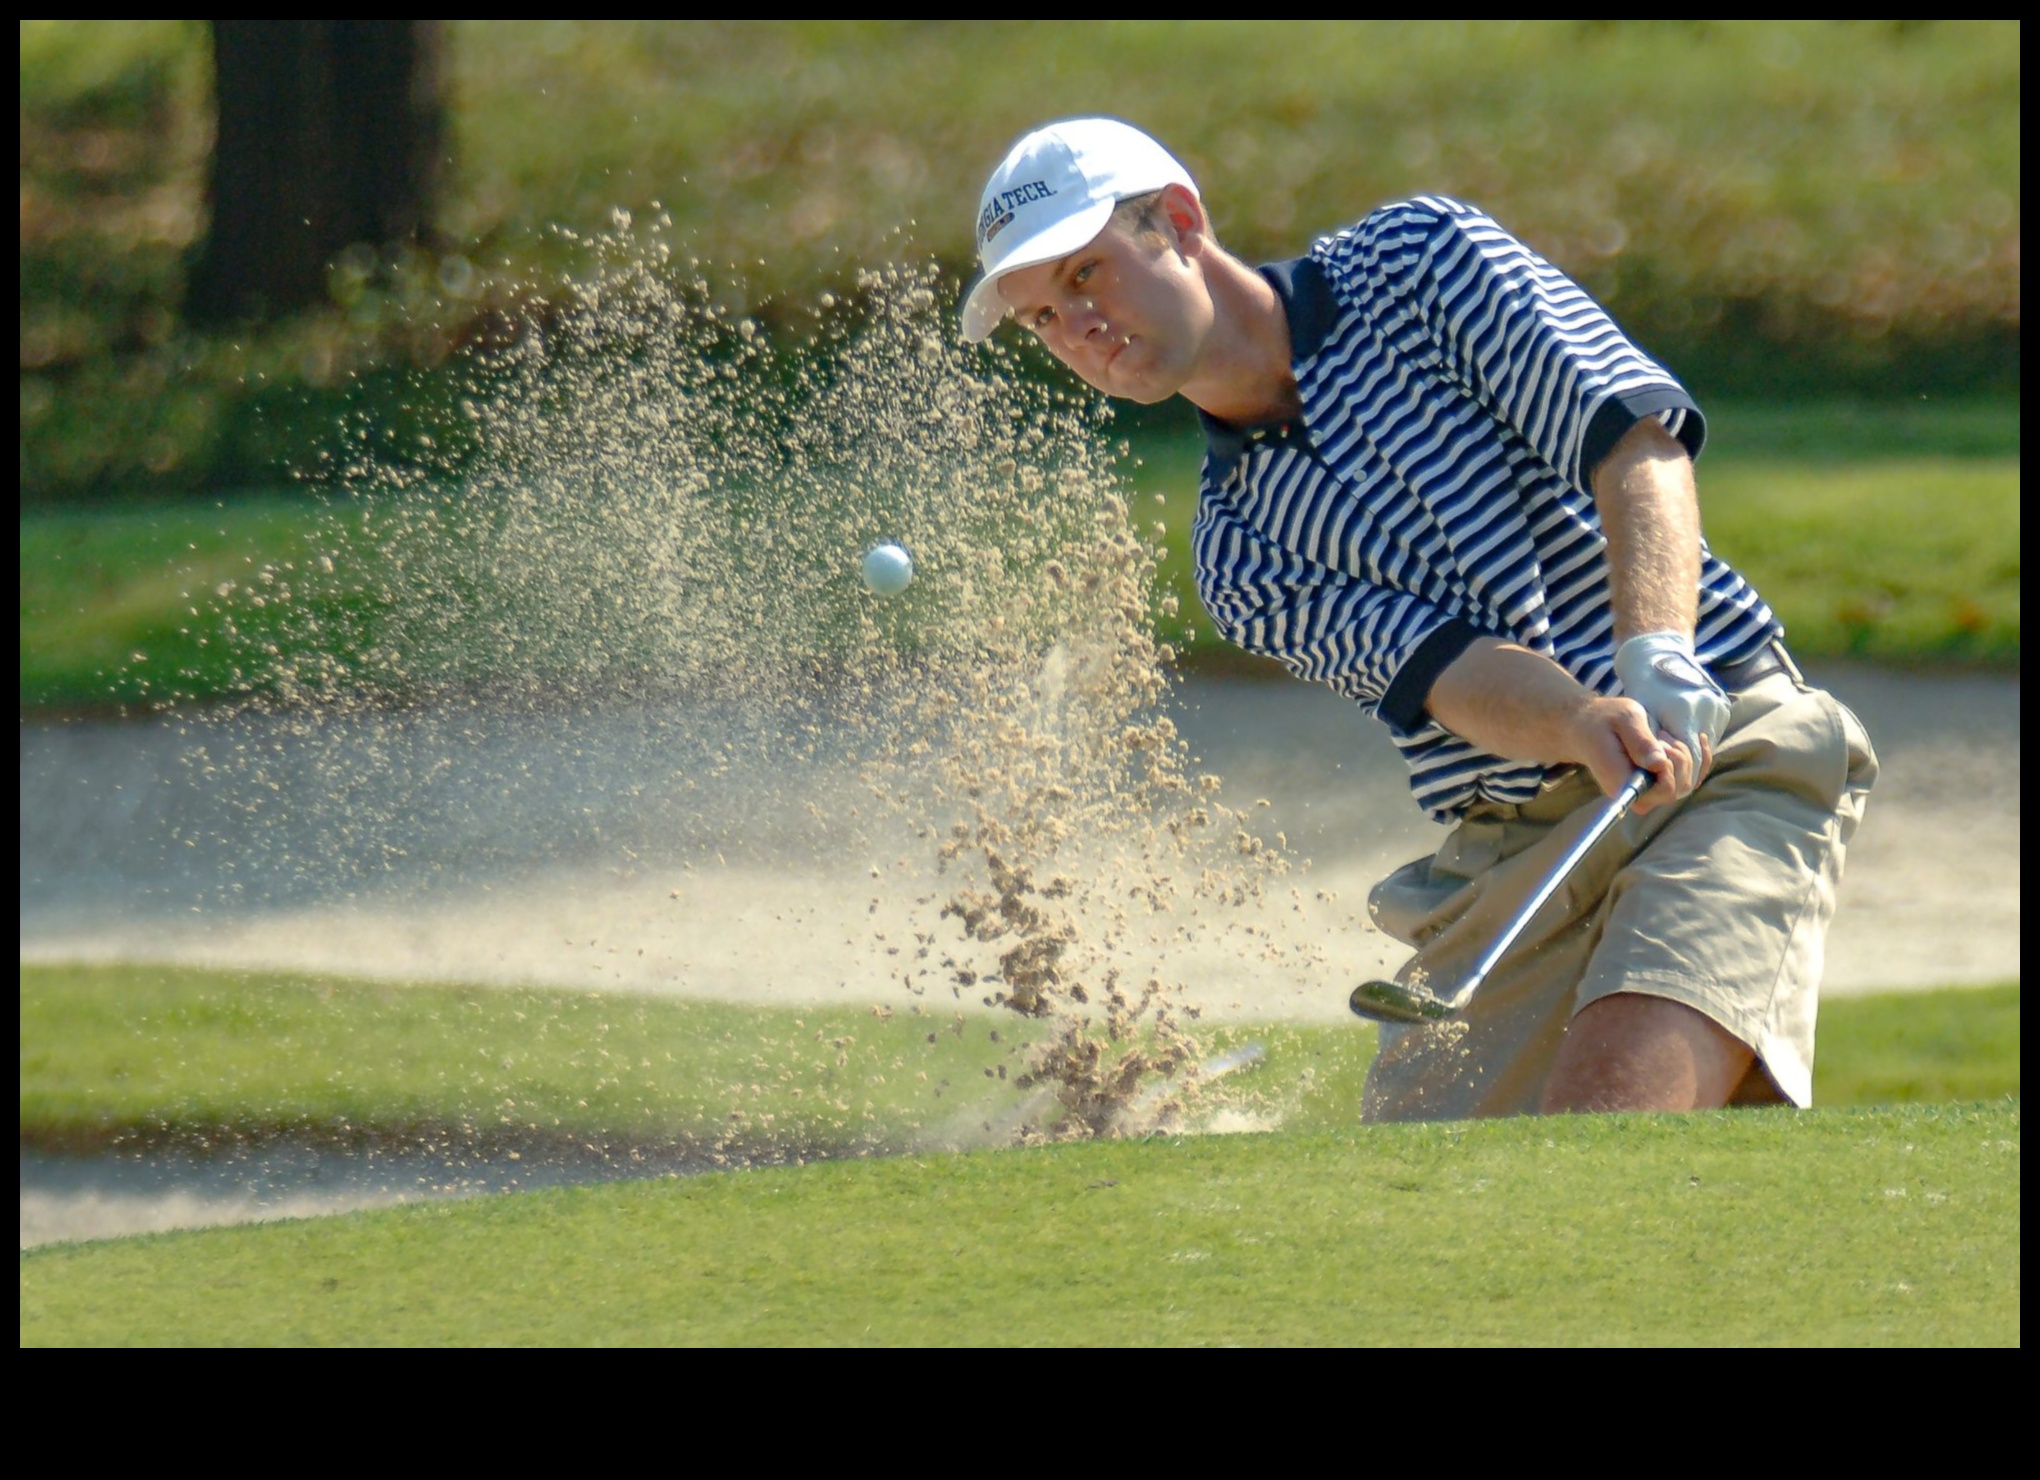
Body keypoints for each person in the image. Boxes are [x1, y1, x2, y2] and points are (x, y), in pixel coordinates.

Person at [959, 117, 1877, 1119]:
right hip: (1517, 853)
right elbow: (1454, 670)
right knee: (1423, 1210)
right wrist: (1579, 721)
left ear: (1180, 223)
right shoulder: (1241, 558)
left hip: (1721, 753)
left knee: (1611, 1116)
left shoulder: (1419, 263)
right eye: (1042, 316)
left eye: (1087, 274)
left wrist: (1654, 649)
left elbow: (1633, 441)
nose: (1076, 330)